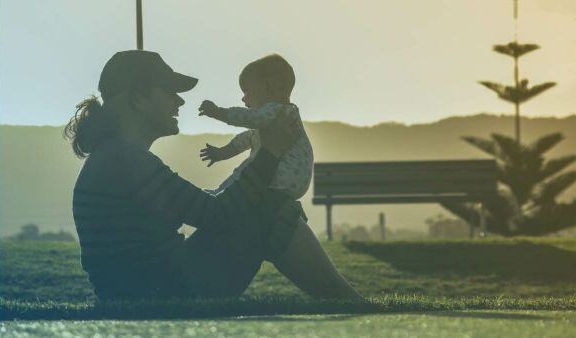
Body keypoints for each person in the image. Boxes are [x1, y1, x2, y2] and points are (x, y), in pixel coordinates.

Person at [65, 50, 361, 300]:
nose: (179, 102)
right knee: (275, 210)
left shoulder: (115, 158)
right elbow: (218, 215)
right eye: (169, 92)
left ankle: (350, 303)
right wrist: (270, 153)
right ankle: (353, 306)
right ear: (138, 99)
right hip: (167, 291)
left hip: (150, 287)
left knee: (269, 205)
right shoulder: (124, 161)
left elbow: (201, 208)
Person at [198, 54, 313, 203]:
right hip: (292, 182)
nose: (243, 98)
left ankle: (221, 194)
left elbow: (249, 118)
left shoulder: (279, 110)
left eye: (247, 91)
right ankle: (221, 192)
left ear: (268, 86)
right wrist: (222, 153)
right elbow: (248, 139)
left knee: (247, 170)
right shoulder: (279, 117)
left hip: (281, 176)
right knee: (250, 167)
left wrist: (219, 112)